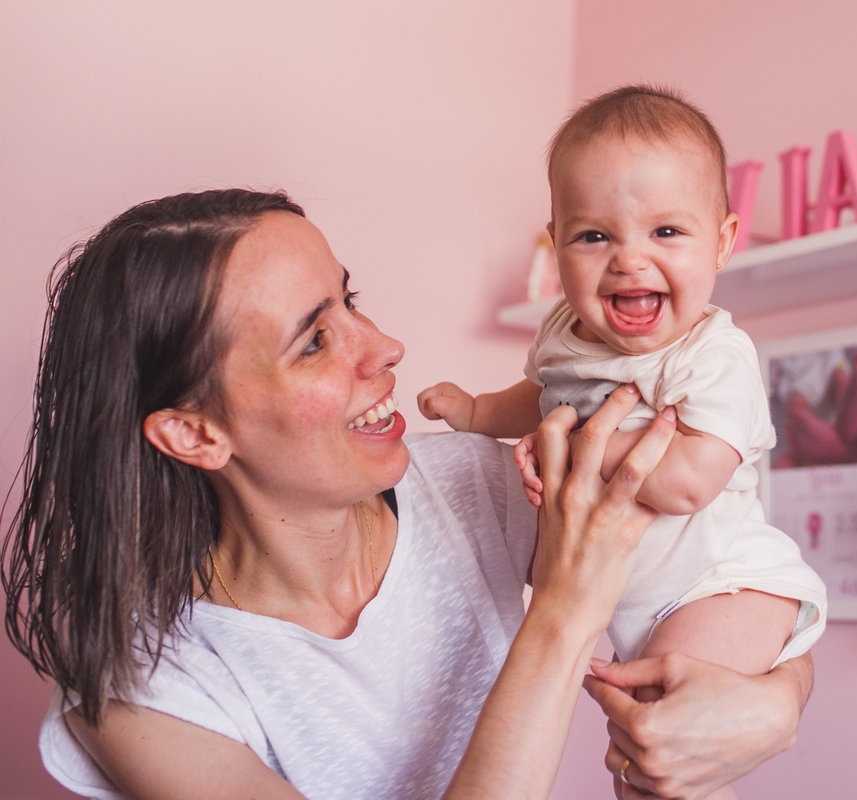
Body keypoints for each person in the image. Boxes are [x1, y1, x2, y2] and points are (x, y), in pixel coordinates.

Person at [2, 189, 815, 800]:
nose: (386, 348)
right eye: (315, 341)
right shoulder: (142, 691)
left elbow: (718, 572)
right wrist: (563, 616)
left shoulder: (477, 485)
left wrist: (776, 703)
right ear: (194, 433)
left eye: (349, 301)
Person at [418, 86, 827, 798]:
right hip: (641, 598)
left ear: (722, 242)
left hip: (720, 585)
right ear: (557, 244)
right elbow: (544, 397)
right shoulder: (563, 332)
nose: (629, 260)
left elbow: (690, 480)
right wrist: (480, 410)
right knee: (642, 765)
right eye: (594, 236)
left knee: (657, 753)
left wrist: (574, 446)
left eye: (665, 231)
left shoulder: (712, 357)